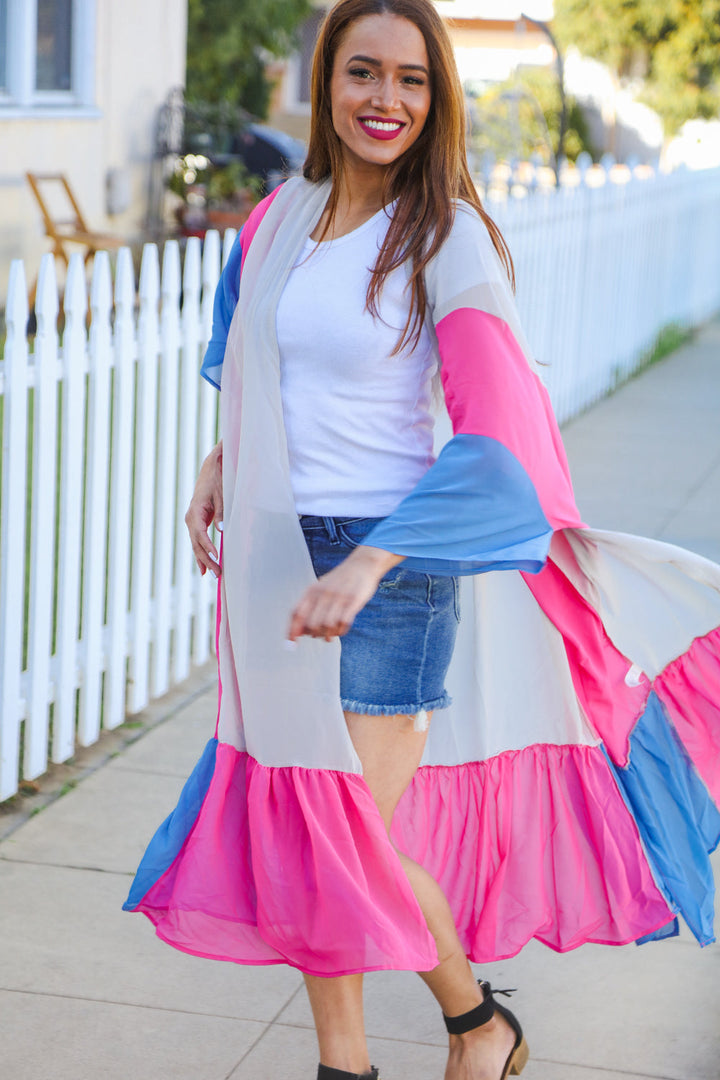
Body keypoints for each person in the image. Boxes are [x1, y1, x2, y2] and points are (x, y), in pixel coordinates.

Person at [123, 3, 720, 1079]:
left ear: (437, 98)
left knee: (340, 835)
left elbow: (497, 438)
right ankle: (452, 1032)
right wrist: (221, 459)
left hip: (388, 573)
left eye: (411, 79)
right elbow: (256, 359)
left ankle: (402, 1047)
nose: (385, 99)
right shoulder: (278, 219)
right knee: (319, 828)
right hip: (275, 560)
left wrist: (369, 563)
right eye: (363, 71)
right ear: (326, 79)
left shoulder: (444, 237)